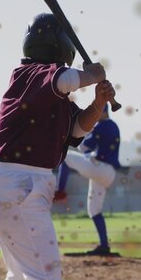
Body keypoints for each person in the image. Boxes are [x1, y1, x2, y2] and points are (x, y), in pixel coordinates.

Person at [0, 13, 115, 280]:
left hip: (3, 181)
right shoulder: (30, 74)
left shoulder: (48, 95)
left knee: (22, 277)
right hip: (19, 183)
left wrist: (97, 103)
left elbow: (77, 129)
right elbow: (65, 79)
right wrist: (93, 74)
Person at [54, 104, 121, 256]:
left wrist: (88, 129)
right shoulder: (114, 125)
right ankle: (104, 246)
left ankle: (60, 191)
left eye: (97, 113)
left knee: (65, 157)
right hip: (109, 173)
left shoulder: (101, 126)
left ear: (101, 113)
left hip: (100, 168)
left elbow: (83, 148)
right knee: (94, 210)